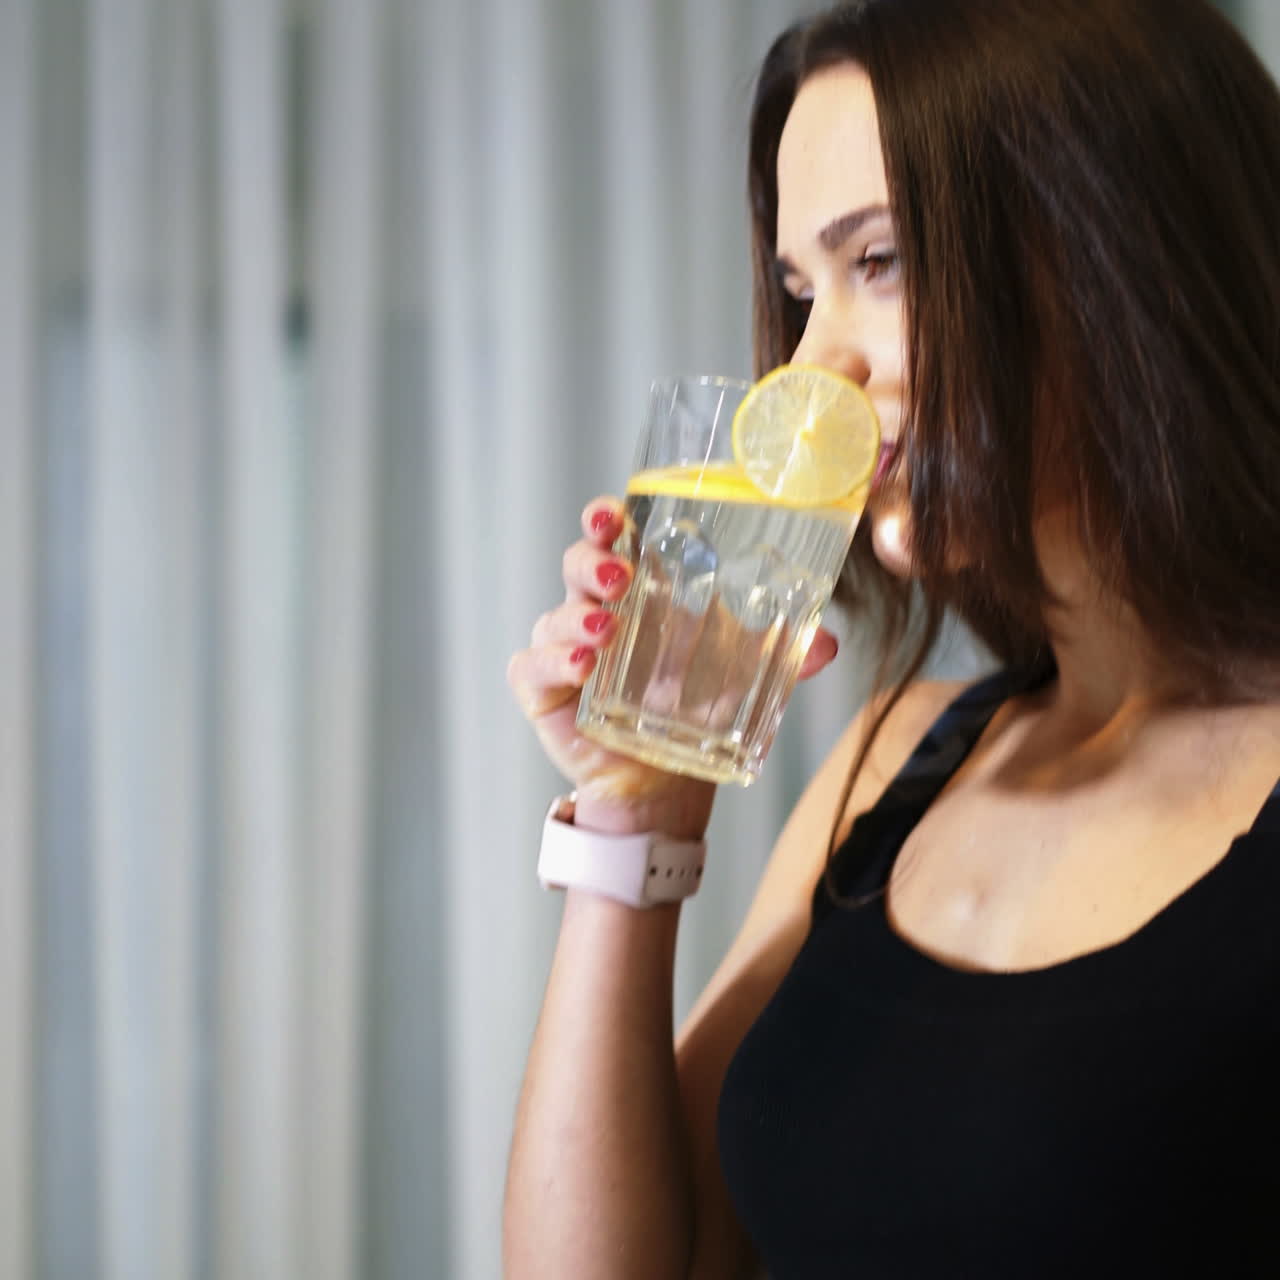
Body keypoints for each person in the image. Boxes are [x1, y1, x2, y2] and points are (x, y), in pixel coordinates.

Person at [504, 0, 1280, 1274]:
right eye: (798, 293)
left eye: (883, 261)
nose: (808, 376)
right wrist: (633, 822)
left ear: (1121, 247)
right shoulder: (897, 759)